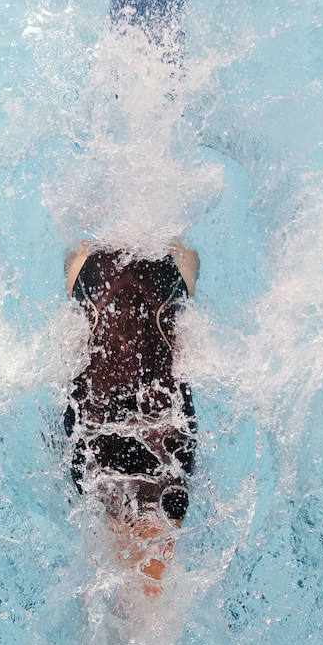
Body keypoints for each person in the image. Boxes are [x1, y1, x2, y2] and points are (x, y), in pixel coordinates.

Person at [63, 242, 199, 591]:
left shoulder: (83, 256)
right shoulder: (178, 256)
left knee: (119, 588)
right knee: (141, 594)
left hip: (102, 419)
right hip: (156, 426)